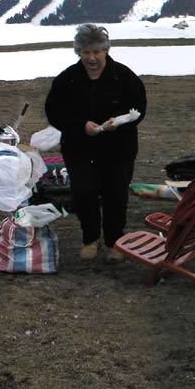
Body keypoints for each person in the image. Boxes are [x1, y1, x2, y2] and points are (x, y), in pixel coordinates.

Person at [44, 24, 146, 263]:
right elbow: (54, 112)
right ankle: (90, 238)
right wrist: (80, 126)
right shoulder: (67, 79)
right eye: (86, 52)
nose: (91, 58)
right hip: (79, 148)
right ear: (78, 52)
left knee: (116, 194)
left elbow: (139, 109)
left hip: (119, 148)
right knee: (84, 192)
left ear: (106, 51)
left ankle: (114, 242)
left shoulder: (124, 77)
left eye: (96, 52)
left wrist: (119, 122)